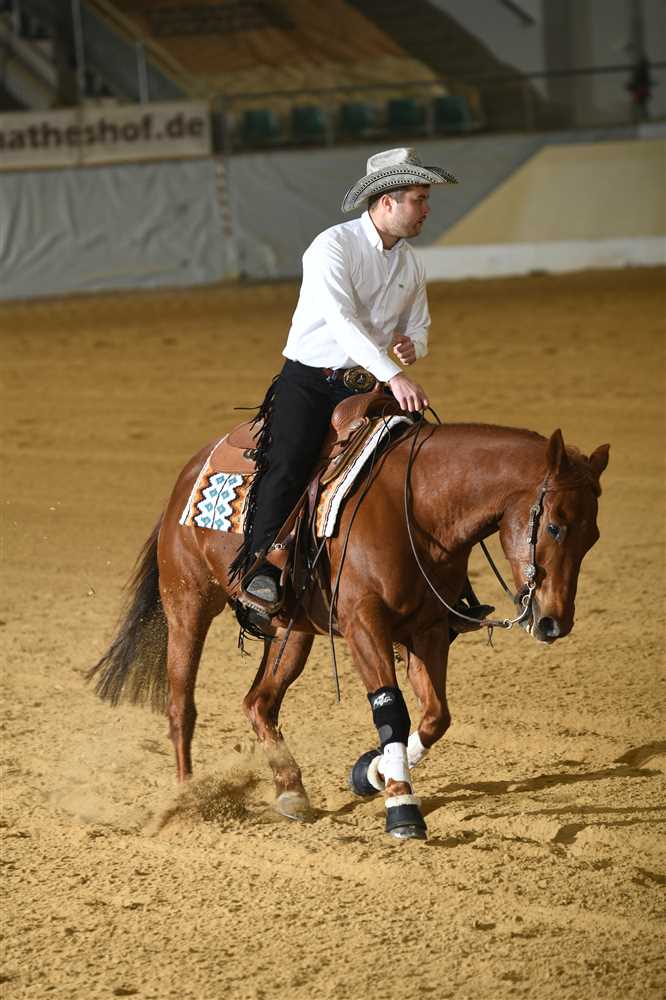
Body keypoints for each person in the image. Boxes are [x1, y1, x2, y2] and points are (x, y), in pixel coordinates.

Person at [234, 147, 491, 626]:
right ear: (387, 202)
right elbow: (342, 322)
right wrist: (394, 374)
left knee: (417, 466)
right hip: (311, 382)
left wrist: (413, 344)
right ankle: (261, 570)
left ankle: (446, 584)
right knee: (287, 464)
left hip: (369, 386)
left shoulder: (409, 263)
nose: (427, 208)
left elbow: (419, 324)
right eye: (419, 198)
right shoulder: (331, 246)